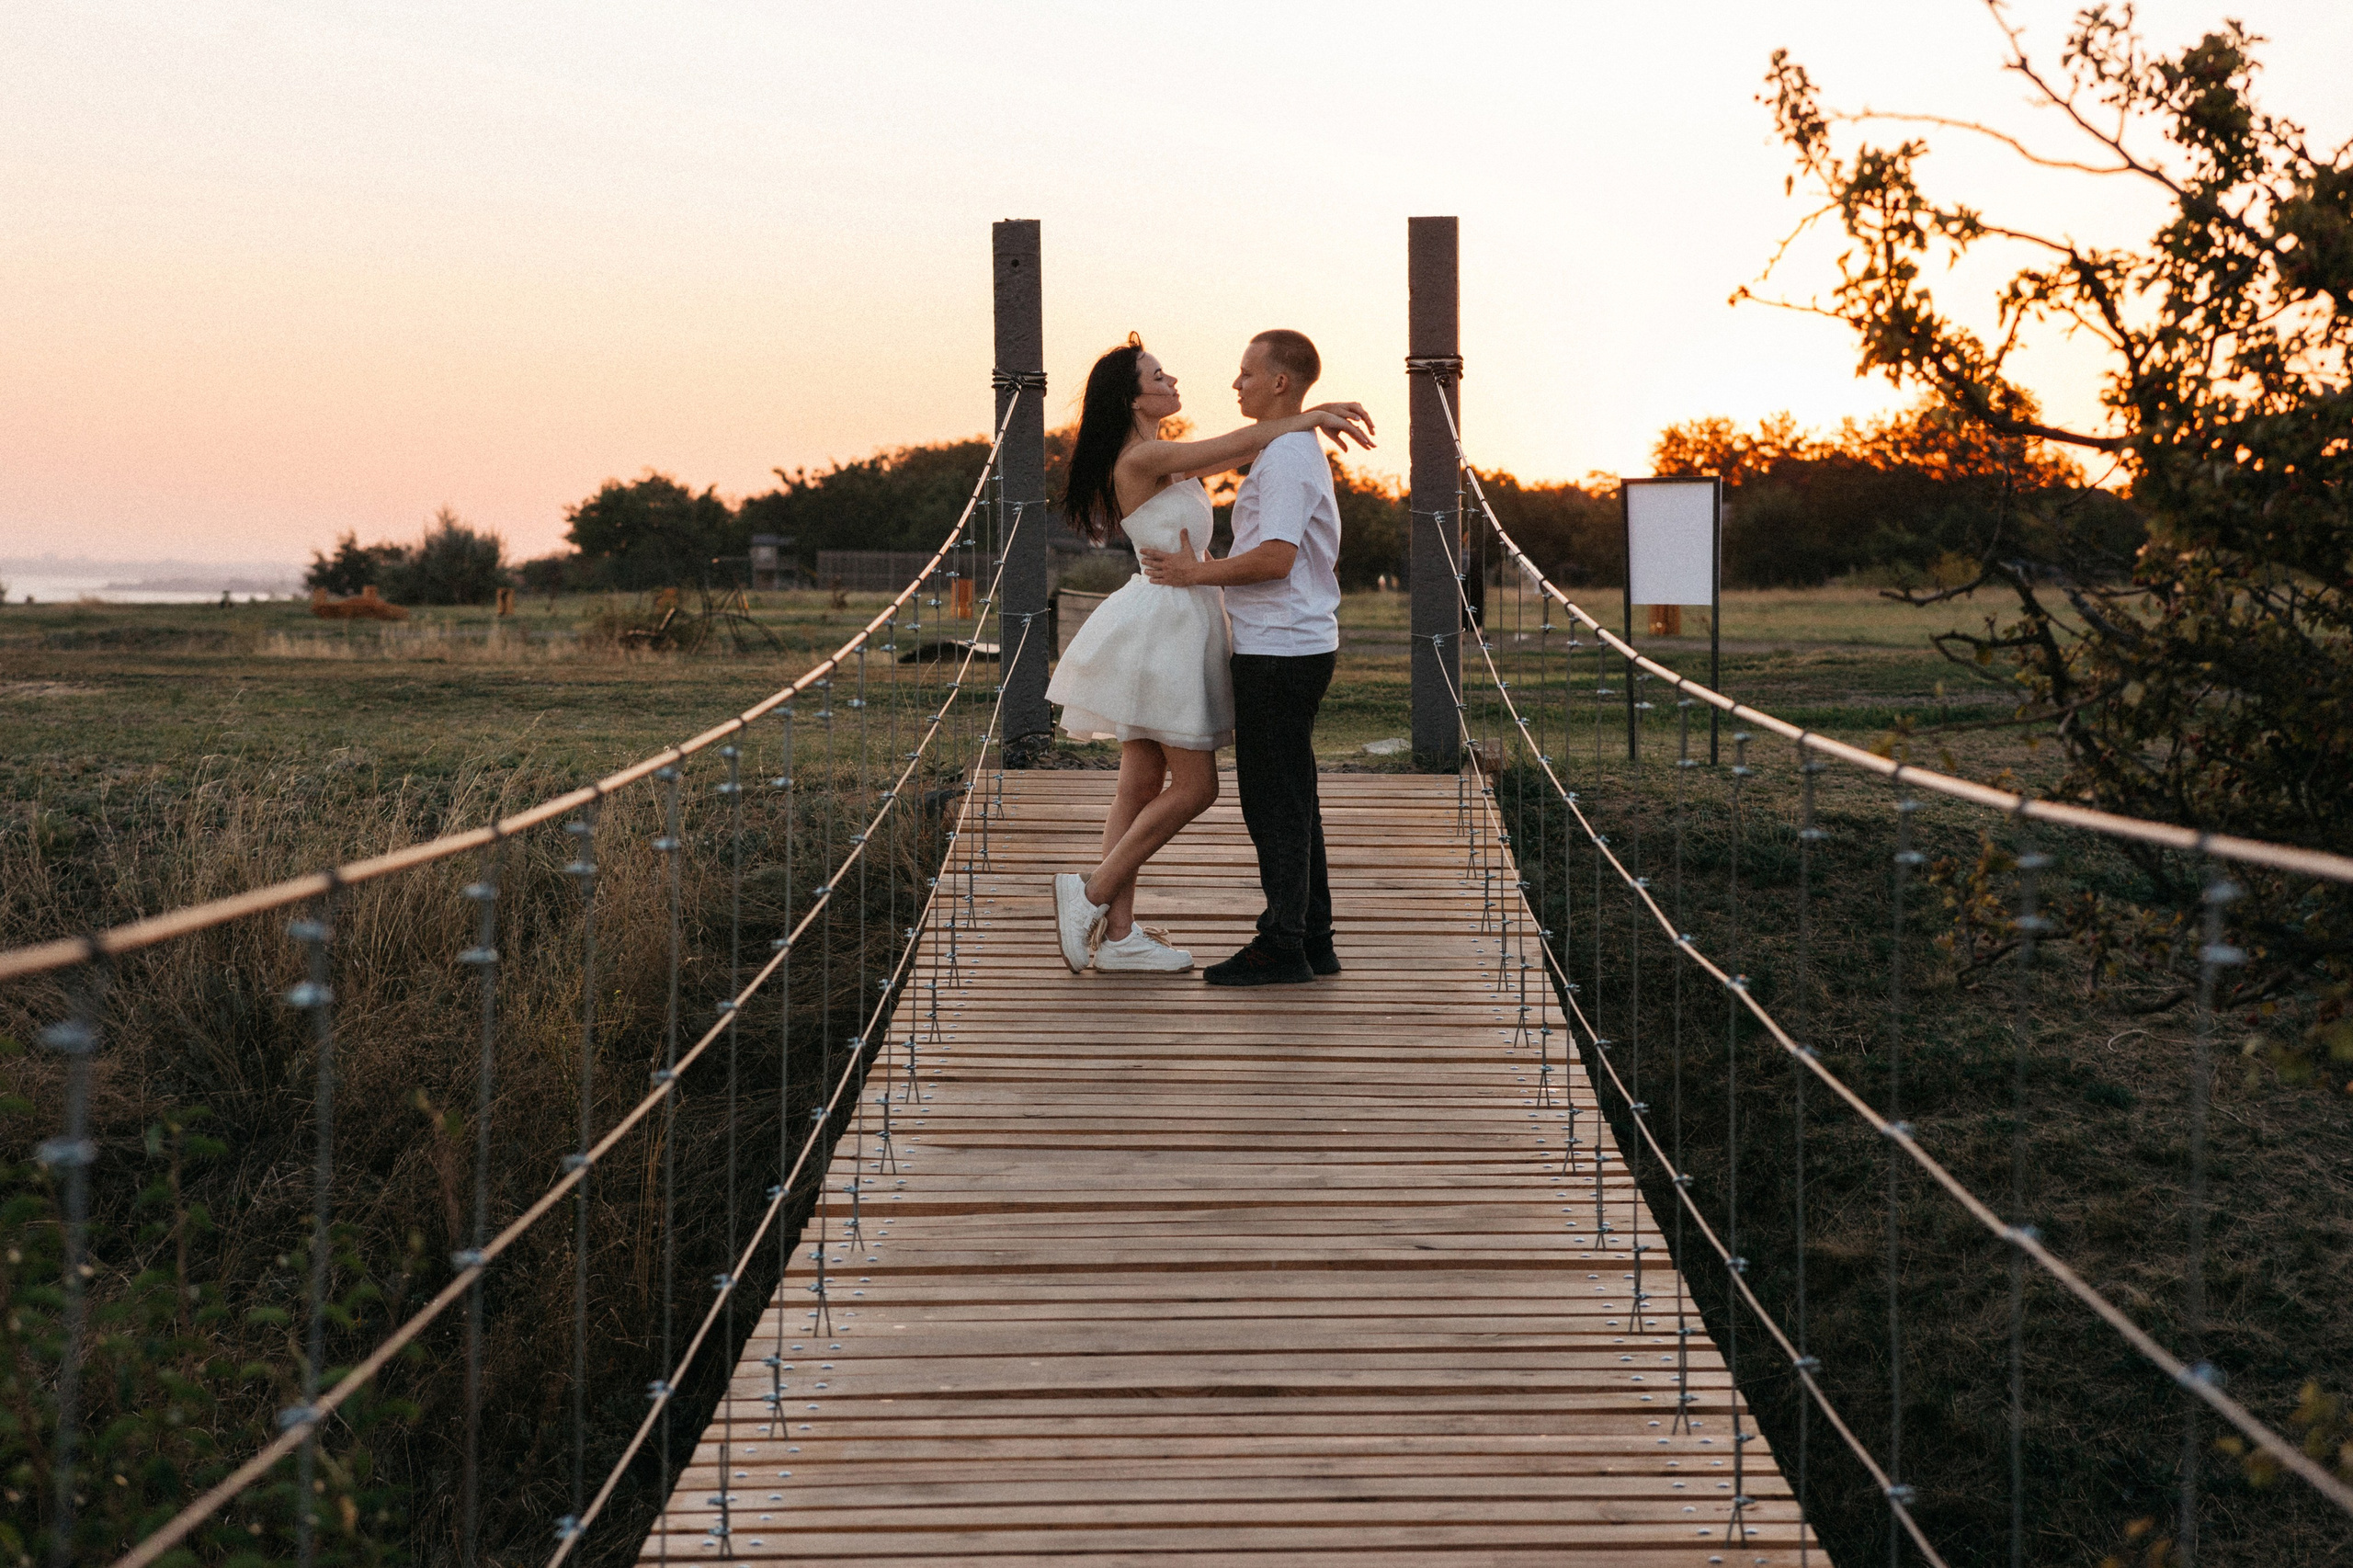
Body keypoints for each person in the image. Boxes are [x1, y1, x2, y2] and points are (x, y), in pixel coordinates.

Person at [1048, 335, 1372, 975]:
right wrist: (1309, 412)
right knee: (1196, 787)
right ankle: (1089, 893)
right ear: (1131, 396)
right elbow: (1243, 444)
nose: (1174, 380)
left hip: (1182, 616)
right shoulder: (1144, 457)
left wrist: (1302, 414)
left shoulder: (1165, 458)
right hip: (1165, 623)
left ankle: (1117, 937)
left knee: (1140, 782)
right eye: (1158, 374)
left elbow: (1250, 448)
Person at [1138, 329, 1344, 986]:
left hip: (1279, 650)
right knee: (1293, 793)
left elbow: (1276, 558)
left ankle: (1282, 945)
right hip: (1293, 644)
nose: (1237, 385)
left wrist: (1193, 574)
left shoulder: (1285, 457)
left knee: (1273, 800)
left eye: (1247, 374)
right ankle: (1314, 937)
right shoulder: (1287, 449)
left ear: (1280, 383)